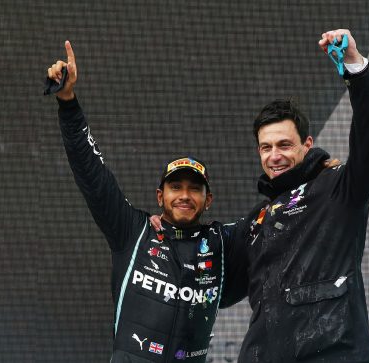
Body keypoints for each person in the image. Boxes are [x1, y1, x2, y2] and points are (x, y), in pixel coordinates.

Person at [47, 41, 247, 362]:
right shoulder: (133, 231)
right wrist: (67, 101)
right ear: (160, 195)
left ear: (208, 200)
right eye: (175, 186)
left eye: (194, 189)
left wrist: (317, 169)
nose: (184, 195)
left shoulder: (221, 245)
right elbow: (91, 173)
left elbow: (278, 222)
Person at [235, 29, 369, 362]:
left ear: (307, 145)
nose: (274, 155)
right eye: (266, 147)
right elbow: (206, 273)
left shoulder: (337, 188)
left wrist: (355, 67)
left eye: (284, 144)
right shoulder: (254, 220)